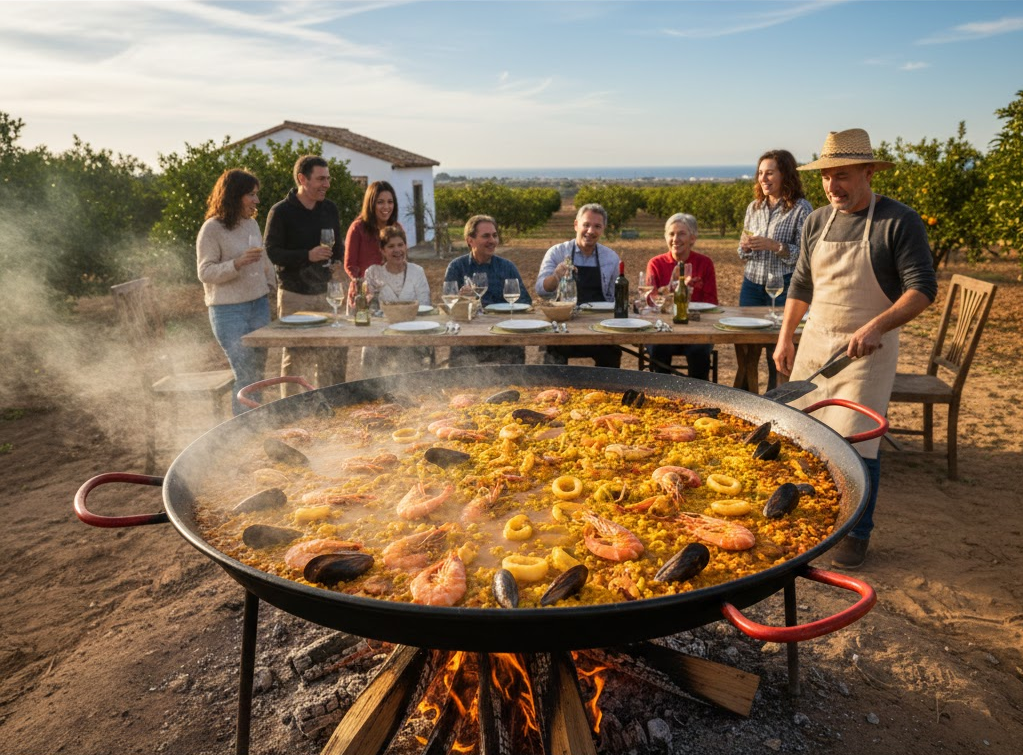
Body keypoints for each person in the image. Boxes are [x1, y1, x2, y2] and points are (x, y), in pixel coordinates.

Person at [774, 128, 937, 570]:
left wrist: (876, 326)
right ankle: (811, 521)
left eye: (842, 176)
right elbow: (802, 283)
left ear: (868, 171)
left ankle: (856, 534)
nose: (832, 187)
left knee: (856, 444)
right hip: (815, 343)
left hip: (867, 351)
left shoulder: (898, 221)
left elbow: (922, 290)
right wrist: (786, 334)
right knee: (803, 437)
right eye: (827, 178)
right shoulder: (815, 221)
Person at [196, 169, 277, 415]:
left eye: (256, 194)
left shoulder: (251, 223)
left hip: (258, 305)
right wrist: (237, 263)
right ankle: (243, 431)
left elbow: (263, 258)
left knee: (257, 374)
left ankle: (255, 423)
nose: (256, 200)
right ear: (234, 196)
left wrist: (270, 284)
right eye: (251, 195)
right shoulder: (211, 229)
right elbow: (205, 272)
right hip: (229, 311)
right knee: (245, 373)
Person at [264, 154, 346, 395]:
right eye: (321, 179)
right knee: (296, 359)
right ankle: (292, 412)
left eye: (328, 179)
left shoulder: (330, 208)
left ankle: (329, 406)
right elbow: (271, 252)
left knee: (330, 355)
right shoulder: (280, 212)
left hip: (327, 294)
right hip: (294, 296)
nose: (327, 184)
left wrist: (337, 261)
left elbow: (337, 244)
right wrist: (306, 256)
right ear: (302, 178)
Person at [738, 149, 814, 391]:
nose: (763, 178)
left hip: (784, 288)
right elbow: (742, 253)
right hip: (751, 286)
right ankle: (747, 402)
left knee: (778, 355)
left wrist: (776, 246)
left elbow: (806, 256)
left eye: (770, 173)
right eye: (760, 173)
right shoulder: (754, 207)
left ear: (785, 175)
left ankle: (777, 404)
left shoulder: (801, 209)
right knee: (746, 354)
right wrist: (745, 247)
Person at [535, 203, 622, 368]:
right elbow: (541, 290)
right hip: (563, 325)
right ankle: (556, 393)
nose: (590, 231)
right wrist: (556, 276)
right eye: (586, 225)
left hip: (599, 326)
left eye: (597, 226)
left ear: (603, 229)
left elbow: (614, 296)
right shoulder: (557, 252)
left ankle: (604, 392)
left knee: (611, 354)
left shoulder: (610, 257)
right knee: (552, 357)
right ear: (576, 225)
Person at [444, 215, 532, 366]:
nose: (492, 241)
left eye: (494, 235)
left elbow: (525, 302)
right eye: (486, 236)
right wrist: (461, 300)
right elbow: (447, 305)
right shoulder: (457, 267)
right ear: (469, 240)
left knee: (515, 377)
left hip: (503, 337)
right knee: (458, 380)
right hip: (468, 338)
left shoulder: (507, 267)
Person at [644, 213, 718, 380]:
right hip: (664, 328)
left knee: (699, 351)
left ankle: (699, 396)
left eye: (681, 234)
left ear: (692, 238)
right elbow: (650, 300)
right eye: (671, 234)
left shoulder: (704, 263)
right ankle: (661, 396)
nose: (675, 239)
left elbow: (712, 301)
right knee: (658, 349)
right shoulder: (656, 263)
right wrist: (672, 292)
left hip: (696, 328)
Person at [361, 225, 433, 377]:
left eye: (400, 245)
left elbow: (425, 305)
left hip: (414, 333)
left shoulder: (417, 271)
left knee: (408, 357)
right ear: (382, 250)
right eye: (391, 246)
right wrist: (367, 300)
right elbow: (369, 309)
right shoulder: (373, 272)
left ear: (406, 247)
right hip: (383, 335)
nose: (397, 250)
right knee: (370, 351)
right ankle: (371, 394)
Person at [344, 180, 400, 310]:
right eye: (380, 202)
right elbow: (350, 265)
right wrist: (366, 286)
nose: (386, 207)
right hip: (363, 297)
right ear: (371, 204)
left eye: (390, 202)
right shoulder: (357, 228)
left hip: (392, 295)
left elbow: (402, 262)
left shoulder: (397, 228)